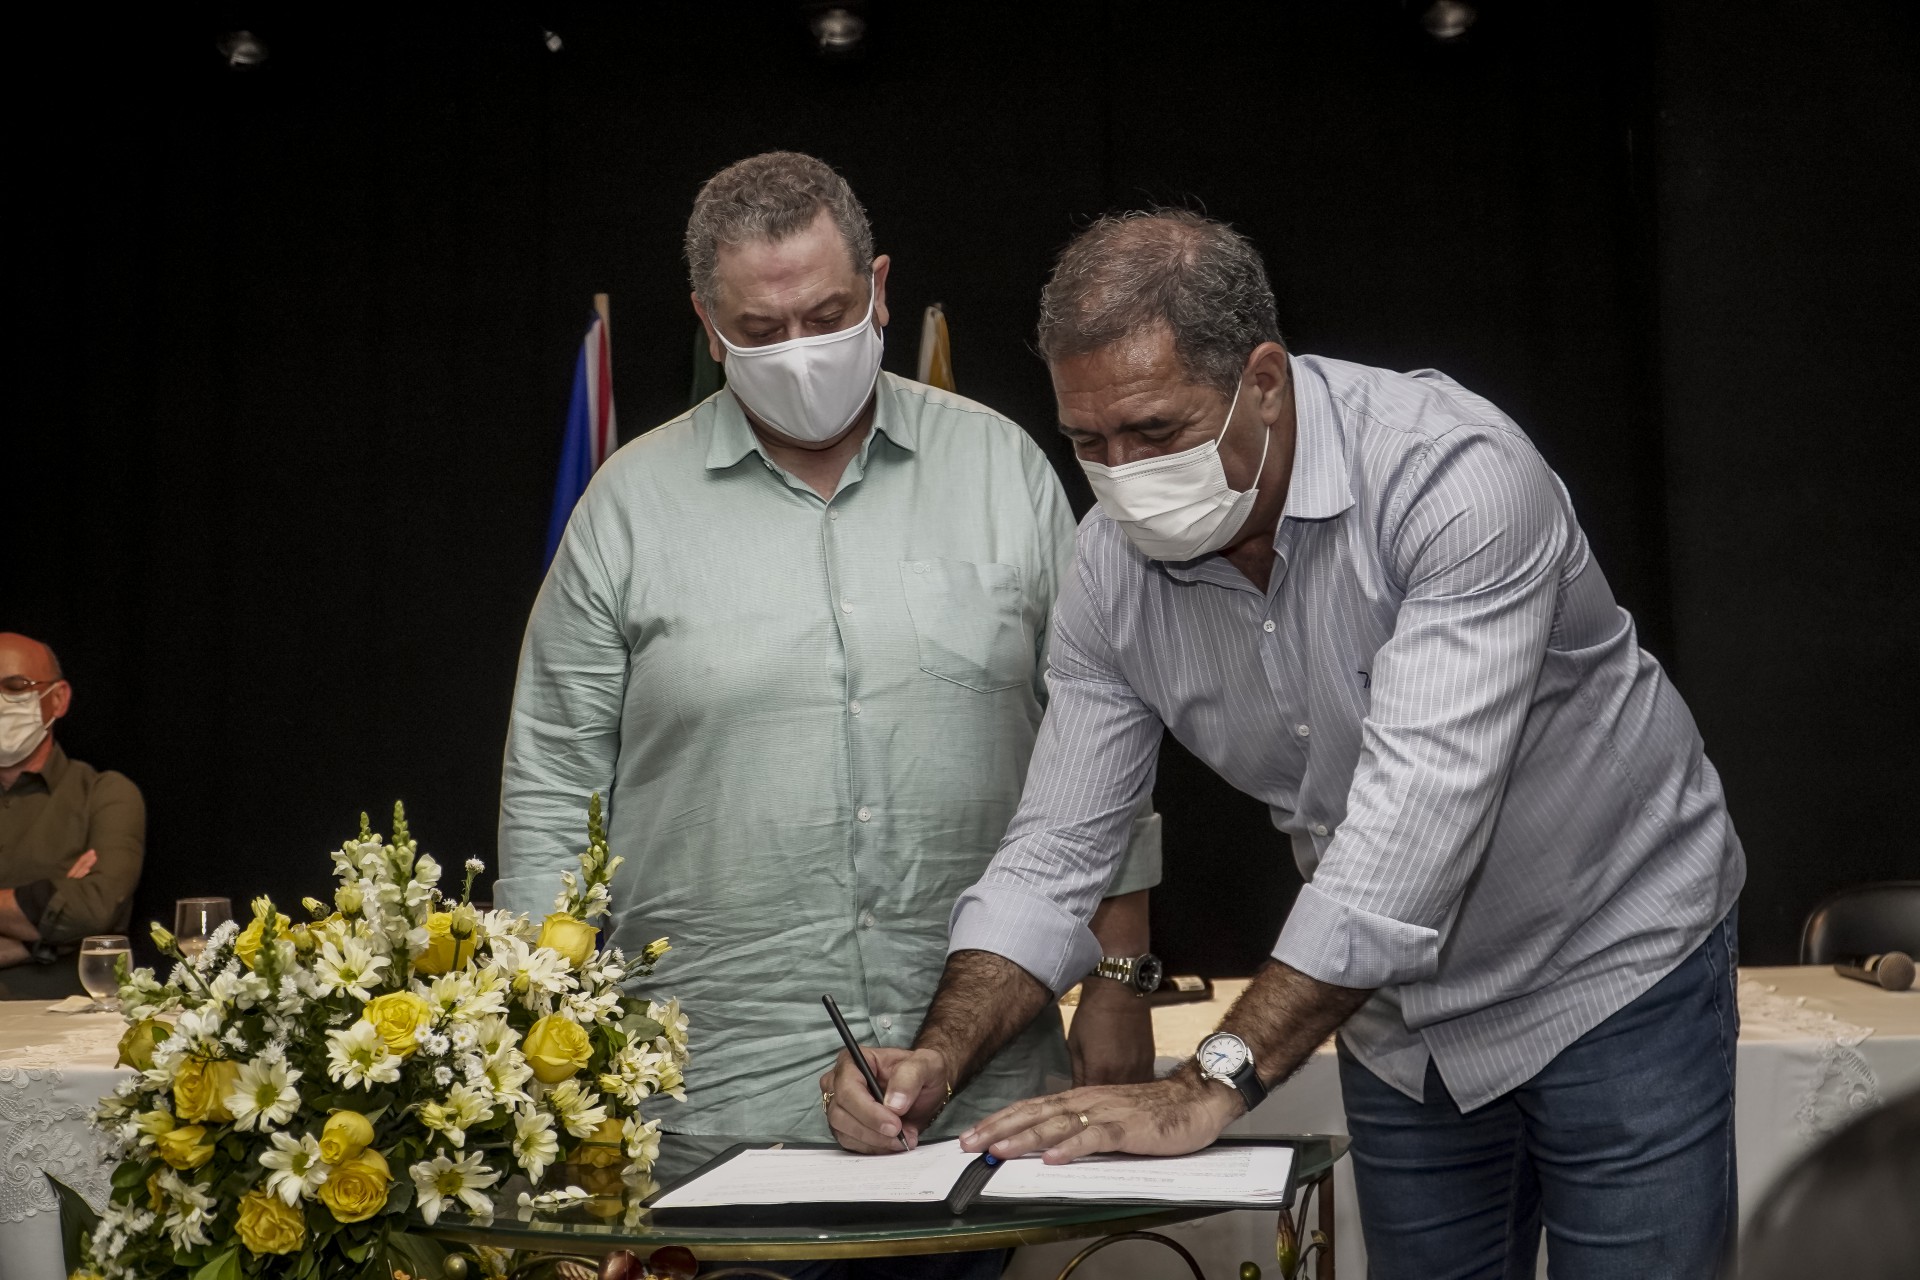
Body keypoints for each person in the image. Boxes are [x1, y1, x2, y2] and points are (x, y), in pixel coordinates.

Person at [826, 211, 1747, 1280]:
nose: (1121, 475)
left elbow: (1408, 835)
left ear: (1264, 379)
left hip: (1611, 961)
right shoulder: (1108, 572)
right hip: (1400, 1020)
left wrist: (1205, 1082)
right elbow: (1053, 853)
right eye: (1090, 443)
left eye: (1157, 431)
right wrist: (938, 1055)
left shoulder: (1455, 478)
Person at [498, 154, 1160, 1275]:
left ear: (882, 288)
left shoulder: (1003, 468)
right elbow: (555, 793)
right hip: (708, 1112)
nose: (801, 346)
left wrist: (1122, 975)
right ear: (709, 325)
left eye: (830, 312)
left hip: (982, 1103)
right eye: (762, 326)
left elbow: (1100, 738)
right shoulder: (624, 510)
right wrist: (541, 1072)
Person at [0, 632, 146, 998]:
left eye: (15, 686)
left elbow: (94, 911)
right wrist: (47, 931)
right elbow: (75, 917)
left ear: (59, 698)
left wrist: (66, 922)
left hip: (63, 1024)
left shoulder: (105, 793)